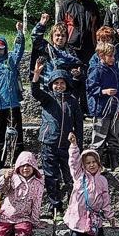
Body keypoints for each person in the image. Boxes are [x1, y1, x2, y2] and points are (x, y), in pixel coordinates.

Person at [31, 60, 83, 214]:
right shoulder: (48, 99)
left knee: (69, 176)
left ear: (67, 84)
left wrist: (78, 144)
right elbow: (35, 92)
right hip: (49, 143)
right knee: (51, 176)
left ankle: (72, 203)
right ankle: (55, 204)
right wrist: (37, 75)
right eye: (56, 83)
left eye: (62, 83)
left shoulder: (73, 102)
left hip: (67, 146)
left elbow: (78, 124)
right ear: (51, 85)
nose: (59, 86)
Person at [65, 133, 114, 236]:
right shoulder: (79, 176)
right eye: (88, 163)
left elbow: (106, 199)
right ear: (83, 165)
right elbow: (73, 162)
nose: (91, 165)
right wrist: (74, 145)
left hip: (94, 219)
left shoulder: (102, 180)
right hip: (77, 217)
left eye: (94, 162)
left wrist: (109, 215)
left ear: (99, 163)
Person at [0, 23, 26, 166]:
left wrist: (20, 33)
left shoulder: (11, 61)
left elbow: (19, 49)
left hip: (12, 105)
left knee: (16, 135)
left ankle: (19, 162)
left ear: (4, 49)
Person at [87, 42, 119, 171]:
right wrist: (103, 91)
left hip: (114, 108)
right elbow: (90, 88)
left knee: (114, 135)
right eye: (110, 56)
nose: (113, 58)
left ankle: (115, 162)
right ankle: (98, 163)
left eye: (113, 55)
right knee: (99, 136)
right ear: (101, 55)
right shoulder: (96, 69)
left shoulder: (115, 70)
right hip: (101, 109)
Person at [32, 15, 86, 106]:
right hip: (49, 88)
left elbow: (79, 69)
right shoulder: (47, 49)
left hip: (67, 90)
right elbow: (35, 38)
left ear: (67, 38)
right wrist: (42, 24)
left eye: (63, 36)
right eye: (57, 35)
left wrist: (77, 74)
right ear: (52, 36)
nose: (60, 38)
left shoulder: (71, 53)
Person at [62, 0, 102, 66]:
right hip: (72, 46)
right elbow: (60, 26)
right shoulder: (67, 5)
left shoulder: (92, 5)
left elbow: (98, 26)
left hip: (90, 47)